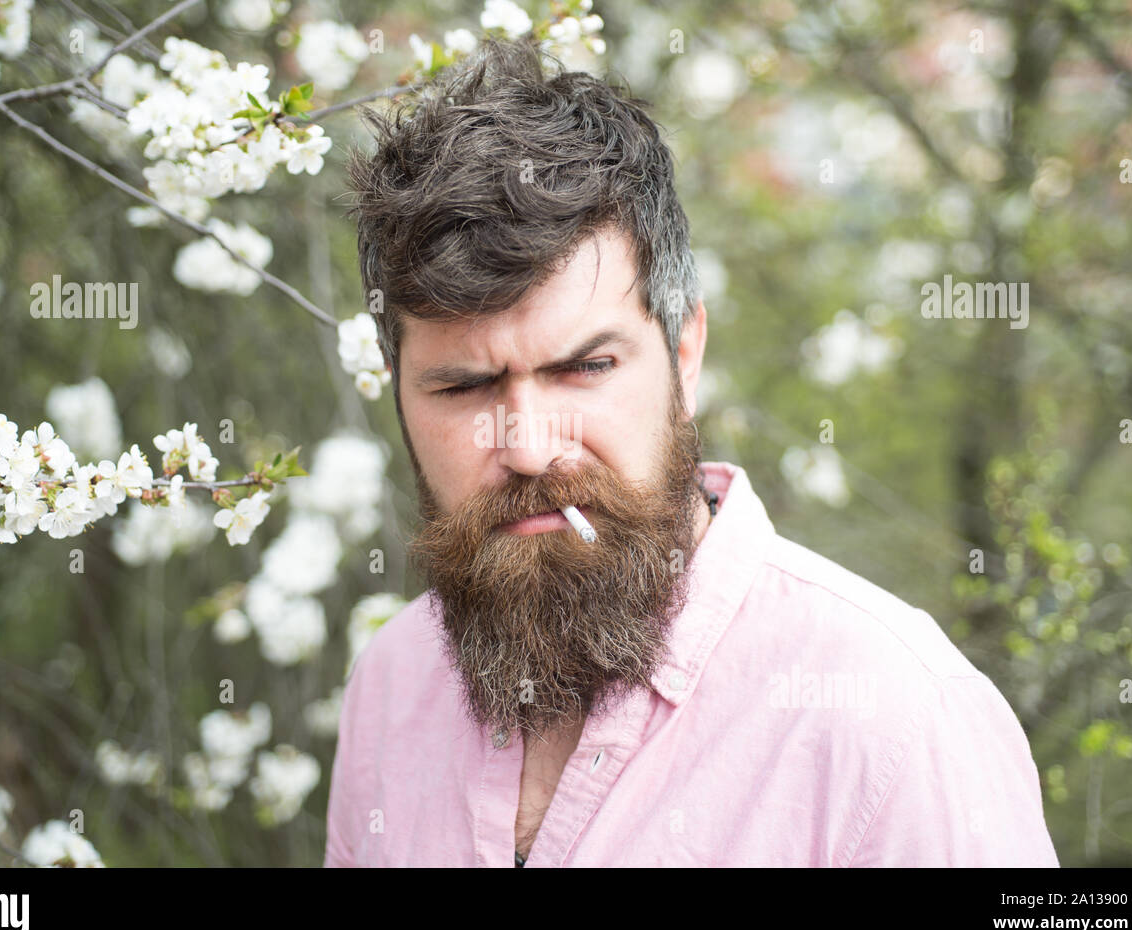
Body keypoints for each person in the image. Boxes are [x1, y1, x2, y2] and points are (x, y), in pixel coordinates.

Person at [322, 35, 1059, 867]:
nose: (527, 448)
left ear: (684, 356)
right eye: (461, 387)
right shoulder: (389, 687)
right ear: (396, 388)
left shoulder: (896, 720)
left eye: (585, 368)